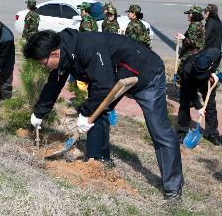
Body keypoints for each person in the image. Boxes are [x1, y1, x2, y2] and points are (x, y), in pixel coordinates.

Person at [24, 29, 183, 201]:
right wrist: (39, 112)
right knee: (97, 112)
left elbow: (103, 86)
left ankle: (173, 188)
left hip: (145, 73)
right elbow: (55, 83)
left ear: (55, 53)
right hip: (114, 74)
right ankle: (97, 160)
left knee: (159, 130)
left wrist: (85, 113)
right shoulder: (64, 51)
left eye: (42, 63)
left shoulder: (88, 47)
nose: (42, 66)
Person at [177, 48, 221, 146]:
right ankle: (182, 132)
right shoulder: (187, 69)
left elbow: (218, 56)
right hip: (189, 81)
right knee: (184, 104)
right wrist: (199, 107)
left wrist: (213, 72)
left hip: (207, 80)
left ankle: (212, 133)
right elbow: (191, 91)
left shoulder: (214, 53)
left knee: (210, 104)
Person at [175, 5, 205, 77]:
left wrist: (183, 38)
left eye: (190, 14)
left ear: (195, 15)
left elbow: (193, 42)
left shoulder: (194, 26)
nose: (188, 15)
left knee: (181, 74)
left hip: (190, 54)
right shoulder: (200, 24)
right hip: (198, 53)